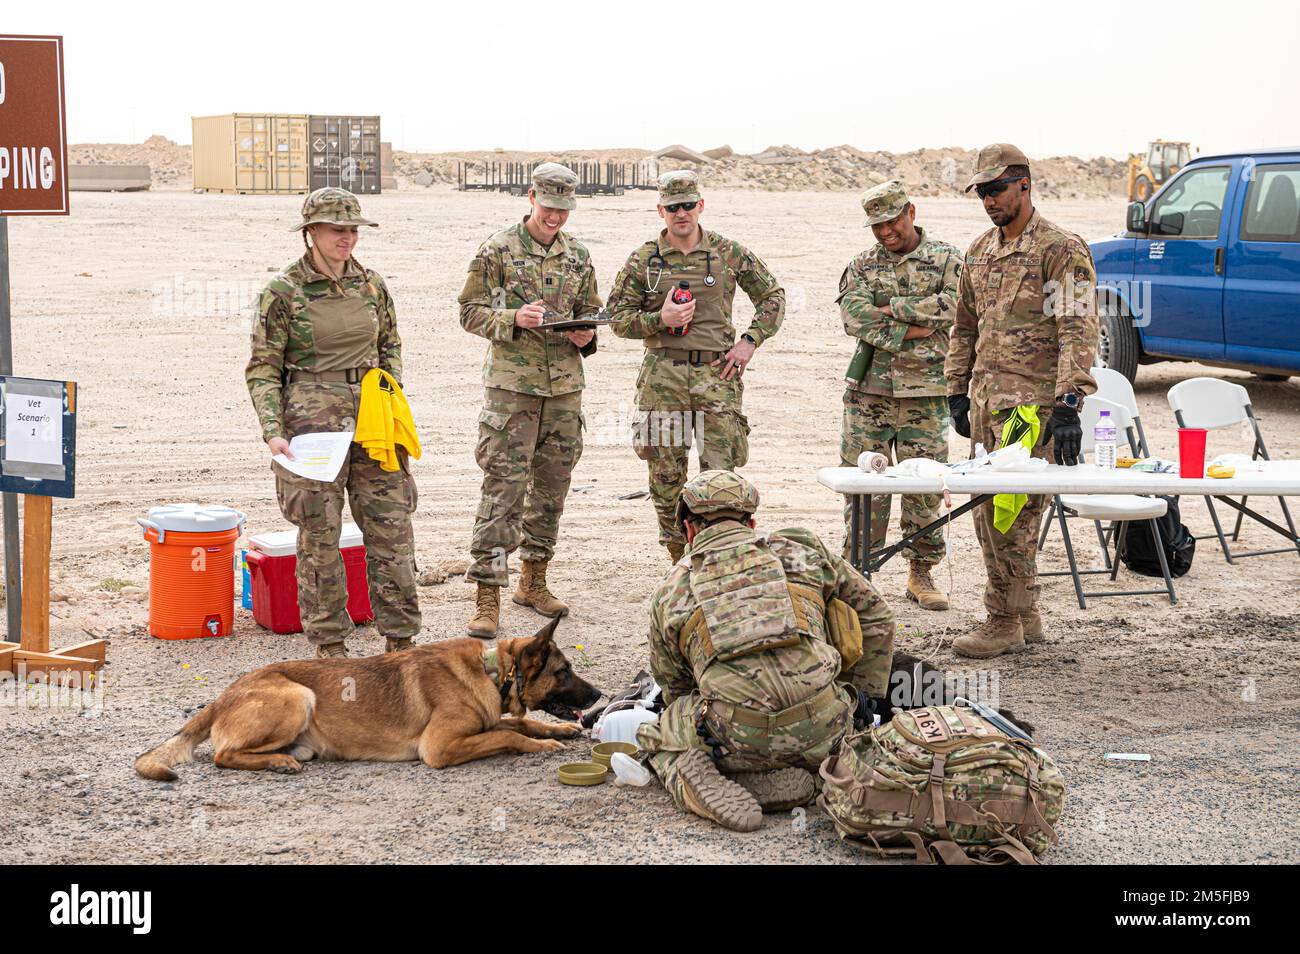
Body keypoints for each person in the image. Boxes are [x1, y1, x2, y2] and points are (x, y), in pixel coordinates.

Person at [636, 470, 896, 832]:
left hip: (739, 739)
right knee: (823, 706)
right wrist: (863, 698)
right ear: (752, 522)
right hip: (825, 727)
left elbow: (676, 684)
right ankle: (819, 772)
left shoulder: (671, 590)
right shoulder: (803, 548)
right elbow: (876, 615)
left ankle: (706, 773)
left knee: (661, 730)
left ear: (689, 529)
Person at [246, 187, 420, 658]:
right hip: (312, 428)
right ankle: (329, 644)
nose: (347, 238)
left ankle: (401, 641)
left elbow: (390, 345)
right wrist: (273, 428)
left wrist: (390, 390)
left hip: (374, 423)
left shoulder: (371, 285)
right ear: (312, 233)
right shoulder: (283, 291)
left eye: (353, 230)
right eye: (337, 230)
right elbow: (263, 366)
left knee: (392, 528)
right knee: (320, 537)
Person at [944, 144, 1099, 658]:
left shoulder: (1059, 249)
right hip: (988, 405)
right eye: (982, 193)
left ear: (1024, 185)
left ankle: (1002, 619)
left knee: (1010, 515)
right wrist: (955, 390)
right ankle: (1026, 611)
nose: (989, 201)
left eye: (997, 190)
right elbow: (965, 326)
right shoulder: (980, 251)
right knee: (987, 510)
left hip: (1030, 410)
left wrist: (1070, 401)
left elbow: (1078, 327)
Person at [606, 170, 785, 563]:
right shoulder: (643, 260)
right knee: (665, 474)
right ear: (660, 210)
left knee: (721, 475)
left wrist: (749, 342)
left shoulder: (727, 252)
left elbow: (772, 296)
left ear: (700, 205)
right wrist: (660, 321)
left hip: (717, 376)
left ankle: (722, 558)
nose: (681, 213)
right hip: (662, 375)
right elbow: (616, 318)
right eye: (672, 207)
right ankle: (678, 560)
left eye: (688, 205)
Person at [457, 162, 601, 638]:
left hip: (563, 388)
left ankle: (533, 581)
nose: (556, 217)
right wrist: (513, 318)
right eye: (548, 207)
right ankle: (487, 593)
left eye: (564, 209)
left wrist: (586, 335)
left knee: (551, 492)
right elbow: (469, 312)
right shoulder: (496, 250)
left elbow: (591, 312)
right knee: (503, 492)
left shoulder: (578, 255)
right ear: (530, 197)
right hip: (512, 390)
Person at [837, 179, 962, 611]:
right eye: (877, 227)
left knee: (924, 488)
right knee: (864, 487)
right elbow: (853, 316)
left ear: (911, 211)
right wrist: (915, 328)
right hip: (869, 394)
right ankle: (858, 572)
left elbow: (958, 306)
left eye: (892, 222)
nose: (886, 233)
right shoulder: (862, 264)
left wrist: (893, 308)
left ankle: (920, 571)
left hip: (926, 393)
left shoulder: (947, 259)